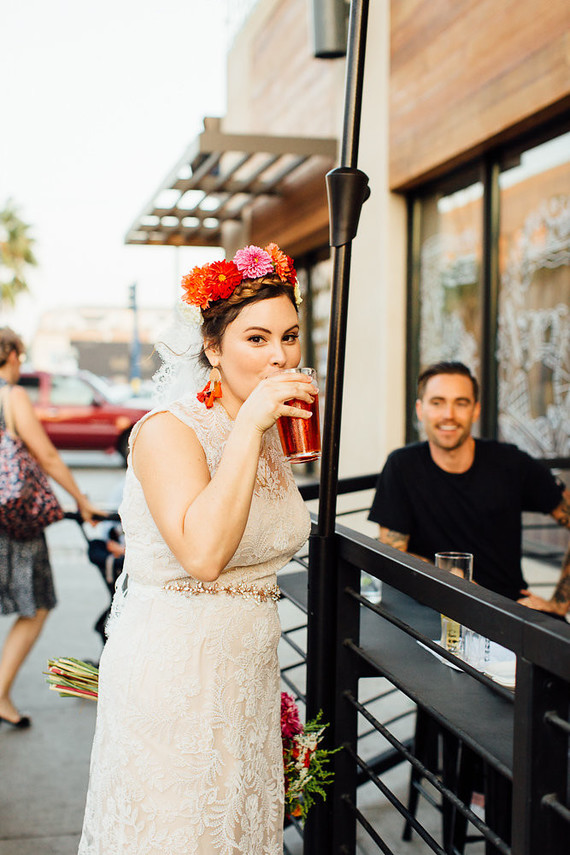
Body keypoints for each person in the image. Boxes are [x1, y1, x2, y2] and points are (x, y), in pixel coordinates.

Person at [78, 243, 315, 854]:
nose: (280, 355)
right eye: (256, 339)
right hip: (175, 678)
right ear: (213, 347)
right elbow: (205, 555)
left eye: (289, 337)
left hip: (248, 679)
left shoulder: (274, 437)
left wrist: (264, 428)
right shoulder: (168, 431)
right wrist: (251, 425)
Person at [368, 361, 570, 614]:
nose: (448, 414)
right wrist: (449, 576)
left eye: (461, 403)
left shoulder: (511, 462)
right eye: (437, 402)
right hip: (429, 608)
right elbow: (393, 551)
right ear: (420, 410)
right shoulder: (401, 465)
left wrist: (560, 603)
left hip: (508, 612)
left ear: (475, 410)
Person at [0, 327, 100, 728]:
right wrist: (81, 499)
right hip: (14, 520)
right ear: (8, 354)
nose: (20, 363)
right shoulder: (12, 396)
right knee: (37, 605)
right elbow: (45, 455)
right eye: (19, 355)